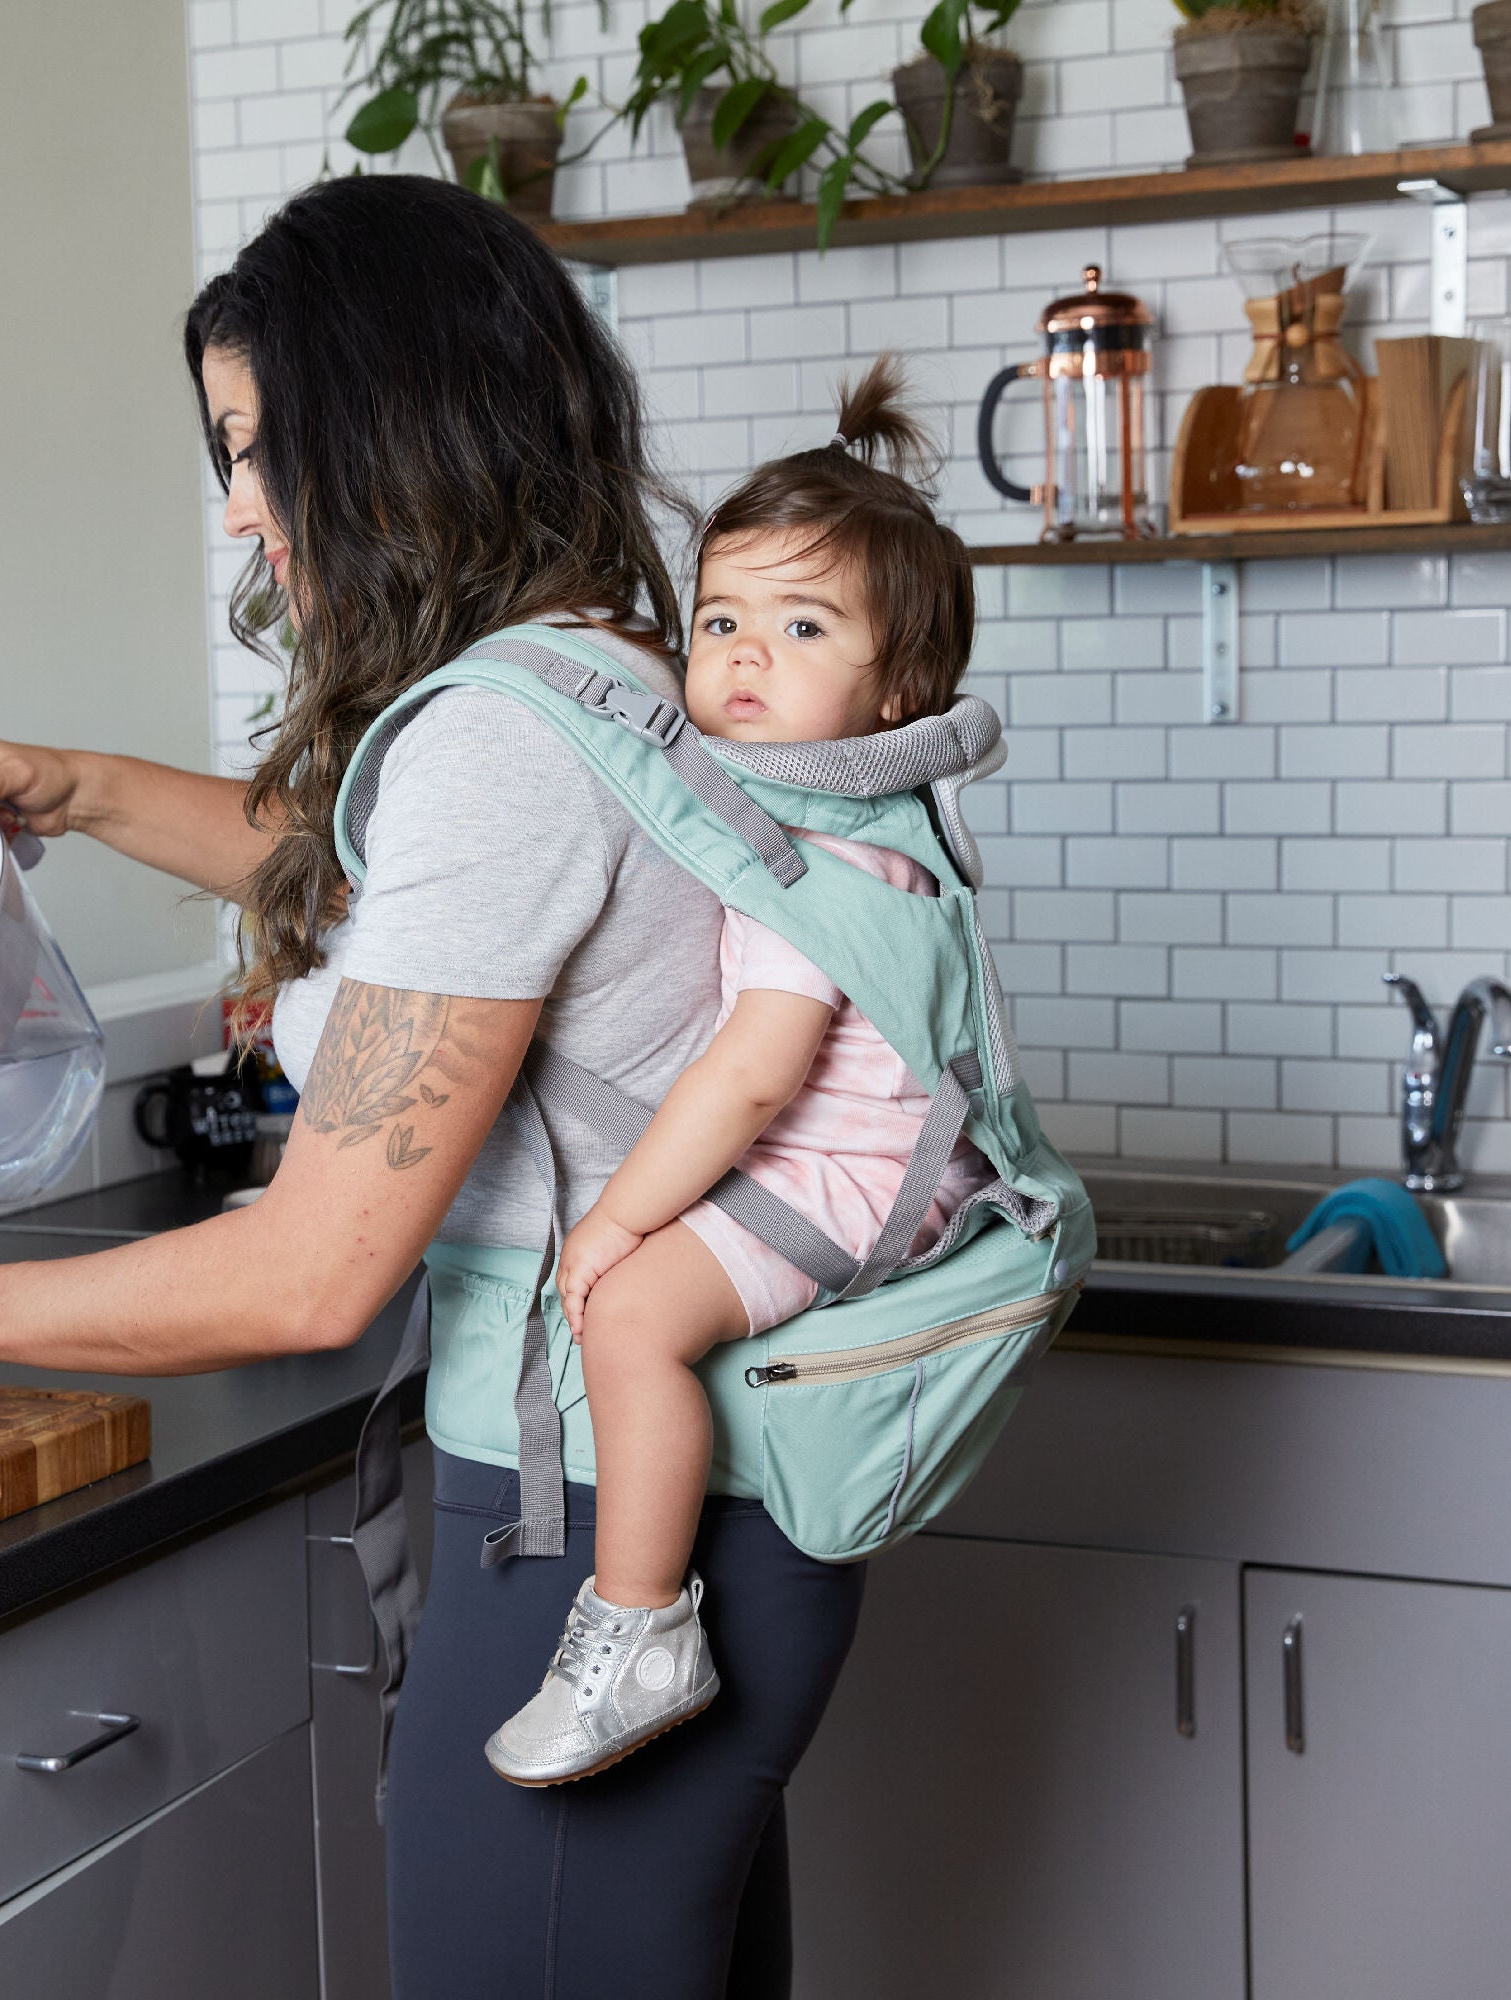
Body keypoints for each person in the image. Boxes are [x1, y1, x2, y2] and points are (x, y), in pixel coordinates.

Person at [0, 174, 859, 1998]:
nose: (246, 510)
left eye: (263, 450)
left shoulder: (504, 742)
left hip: (588, 1534)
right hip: (698, 1523)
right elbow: (414, 902)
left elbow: (312, 1271)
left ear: (394, 419)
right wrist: (89, 790)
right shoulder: (604, 675)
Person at [483, 359, 996, 1791]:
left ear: (899, 688)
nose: (743, 656)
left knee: (632, 1315)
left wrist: (616, 1221)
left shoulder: (823, 859)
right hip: (862, 1161)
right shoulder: (846, 806)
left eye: (801, 624)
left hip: (842, 1178)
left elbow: (755, 1077)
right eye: (721, 619)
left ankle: (642, 1628)